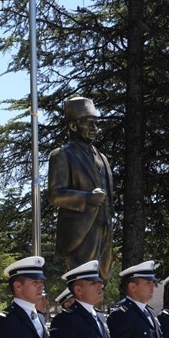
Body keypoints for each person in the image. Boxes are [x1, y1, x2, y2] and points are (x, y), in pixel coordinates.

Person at [48, 97, 115, 278]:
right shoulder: (62, 155)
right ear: (73, 126)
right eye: (89, 123)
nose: (95, 128)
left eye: (96, 123)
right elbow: (55, 195)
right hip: (80, 233)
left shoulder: (102, 158)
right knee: (84, 282)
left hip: (104, 231)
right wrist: (86, 198)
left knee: (101, 280)